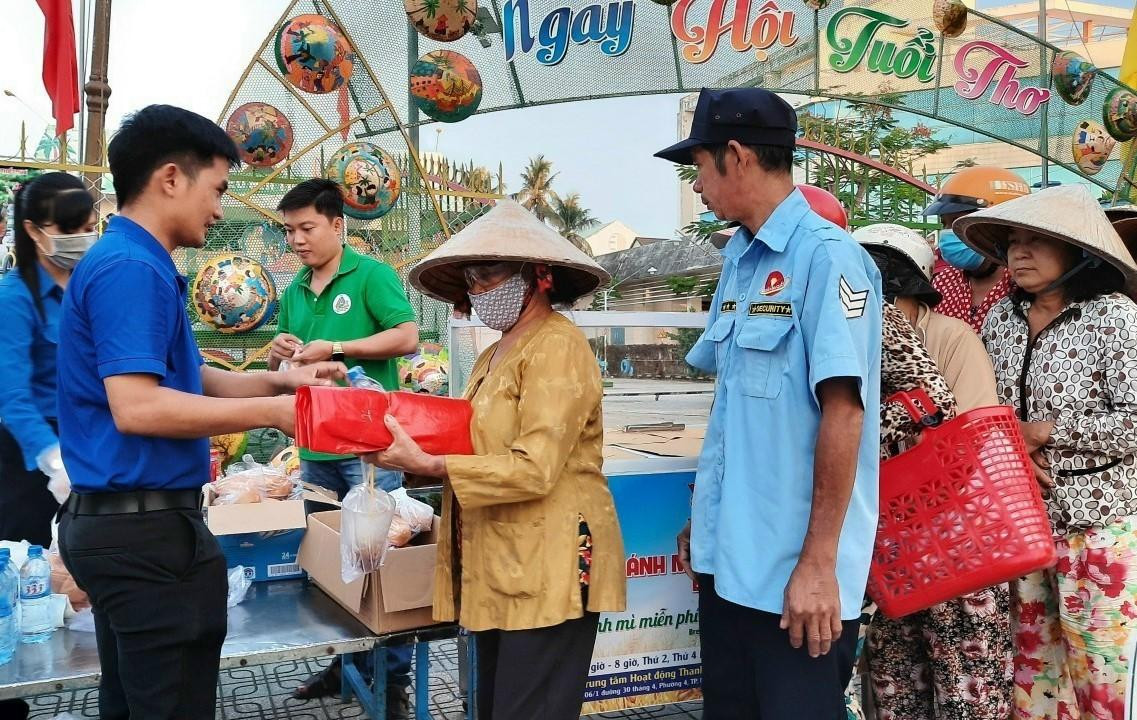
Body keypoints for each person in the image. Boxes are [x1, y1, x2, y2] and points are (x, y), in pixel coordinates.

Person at [55, 105, 345, 720]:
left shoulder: (134, 261)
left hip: (128, 527)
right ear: (169, 178)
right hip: (144, 534)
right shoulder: (131, 269)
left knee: (135, 699)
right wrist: (272, 413)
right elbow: (137, 406)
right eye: (216, 188)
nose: (218, 209)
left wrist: (277, 380)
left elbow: (185, 379)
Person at [656, 87, 883, 718]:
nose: (697, 186)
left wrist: (818, 565)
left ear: (736, 156)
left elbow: (845, 414)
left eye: (699, 167)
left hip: (794, 583)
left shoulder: (831, 259)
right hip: (730, 569)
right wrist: (709, 514)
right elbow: (736, 409)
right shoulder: (739, 262)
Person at [367, 199, 626, 720]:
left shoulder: (558, 345)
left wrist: (440, 466)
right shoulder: (496, 350)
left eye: (489, 275)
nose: (479, 289)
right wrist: (416, 457)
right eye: (472, 278)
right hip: (501, 563)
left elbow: (535, 466)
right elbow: (474, 442)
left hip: (550, 564)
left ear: (539, 275)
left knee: (531, 708)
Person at [956, 184, 1137, 719]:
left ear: (1079, 253)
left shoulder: (1116, 319)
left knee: (1103, 676)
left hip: (1098, 525)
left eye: (1037, 240)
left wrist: (1044, 432)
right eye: (1013, 240)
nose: (1019, 252)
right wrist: (1013, 441)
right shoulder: (1000, 322)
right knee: (1031, 672)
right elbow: (983, 409)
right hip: (1021, 522)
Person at [269, 178, 419, 712]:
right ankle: (343, 664)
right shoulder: (293, 290)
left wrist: (337, 343)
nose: (297, 241)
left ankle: (394, 678)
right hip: (315, 448)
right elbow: (286, 366)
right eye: (289, 231)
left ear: (337, 224)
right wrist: (276, 350)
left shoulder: (371, 276)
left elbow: (406, 335)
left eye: (306, 228)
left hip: (370, 452)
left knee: (380, 558)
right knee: (331, 561)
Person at [853, 223, 1012, 718]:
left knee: (969, 684)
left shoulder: (951, 337)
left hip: (955, 538)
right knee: (895, 682)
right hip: (884, 544)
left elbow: (967, 436)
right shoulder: (851, 343)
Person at [0, 174, 95, 546]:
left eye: (88, 228)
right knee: (33, 564)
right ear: (33, 230)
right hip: (32, 458)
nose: (81, 239)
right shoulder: (15, 298)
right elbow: (12, 396)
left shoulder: (88, 286)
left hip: (87, 442)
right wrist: (51, 458)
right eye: (69, 229)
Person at [924, 166, 1030, 332]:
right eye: (944, 223)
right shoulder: (943, 282)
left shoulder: (1024, 284)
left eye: (959, 223)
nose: (948, 231)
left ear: (998, 224)